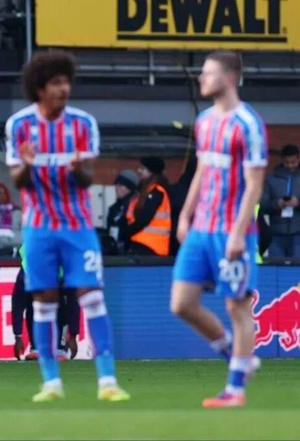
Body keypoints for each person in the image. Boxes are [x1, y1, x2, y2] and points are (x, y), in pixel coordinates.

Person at [5, 51, 129, 402]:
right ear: (39, 88)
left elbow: (87, 177)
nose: (64, 89)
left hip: (78, 224)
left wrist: (78, 167)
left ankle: (108, 381)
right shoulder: (19, 125)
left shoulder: (83, 124)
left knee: (91, 295)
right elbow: (18, 180)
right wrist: (28, 163)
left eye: (66, 82)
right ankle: (51, 383)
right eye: (56, 82)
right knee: (43, 300)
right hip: (39, 227)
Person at [171, 51, 267, 408]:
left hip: (231, 229)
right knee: (181, 304)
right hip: (201, 228)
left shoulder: (248, 124)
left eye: (207, 73)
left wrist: (239, 232)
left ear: (228, 78)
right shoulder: (205, 121)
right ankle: (234, 355)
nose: (201, 78)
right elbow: (202, 171)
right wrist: (185, 215)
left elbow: (254, 184)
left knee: (236, 306)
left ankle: (235, 390)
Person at [124, 157, 172, 256]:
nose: (139, 171)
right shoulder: (145, 190)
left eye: (143, 168)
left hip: (151, 246)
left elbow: (143, 218)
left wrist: (127, 232)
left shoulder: (156, 192)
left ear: (151, 171)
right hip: (144, 243)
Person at [261, 144, 300, 258]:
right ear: (282, 160)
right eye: (287, 162)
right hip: (276, 235)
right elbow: (263, 205)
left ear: (298, 159)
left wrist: (298, 203)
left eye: (293, 162)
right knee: (275, 266)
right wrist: (277, 204)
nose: (290, 165)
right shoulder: (271, 179)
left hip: (298, 234)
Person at [106, 169, 138, 254]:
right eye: (116, 185)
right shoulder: (114, 208)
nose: (116, 188)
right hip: (115, 250)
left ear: (129, 188)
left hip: (129, 251)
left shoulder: (135, 206)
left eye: (120, 185)